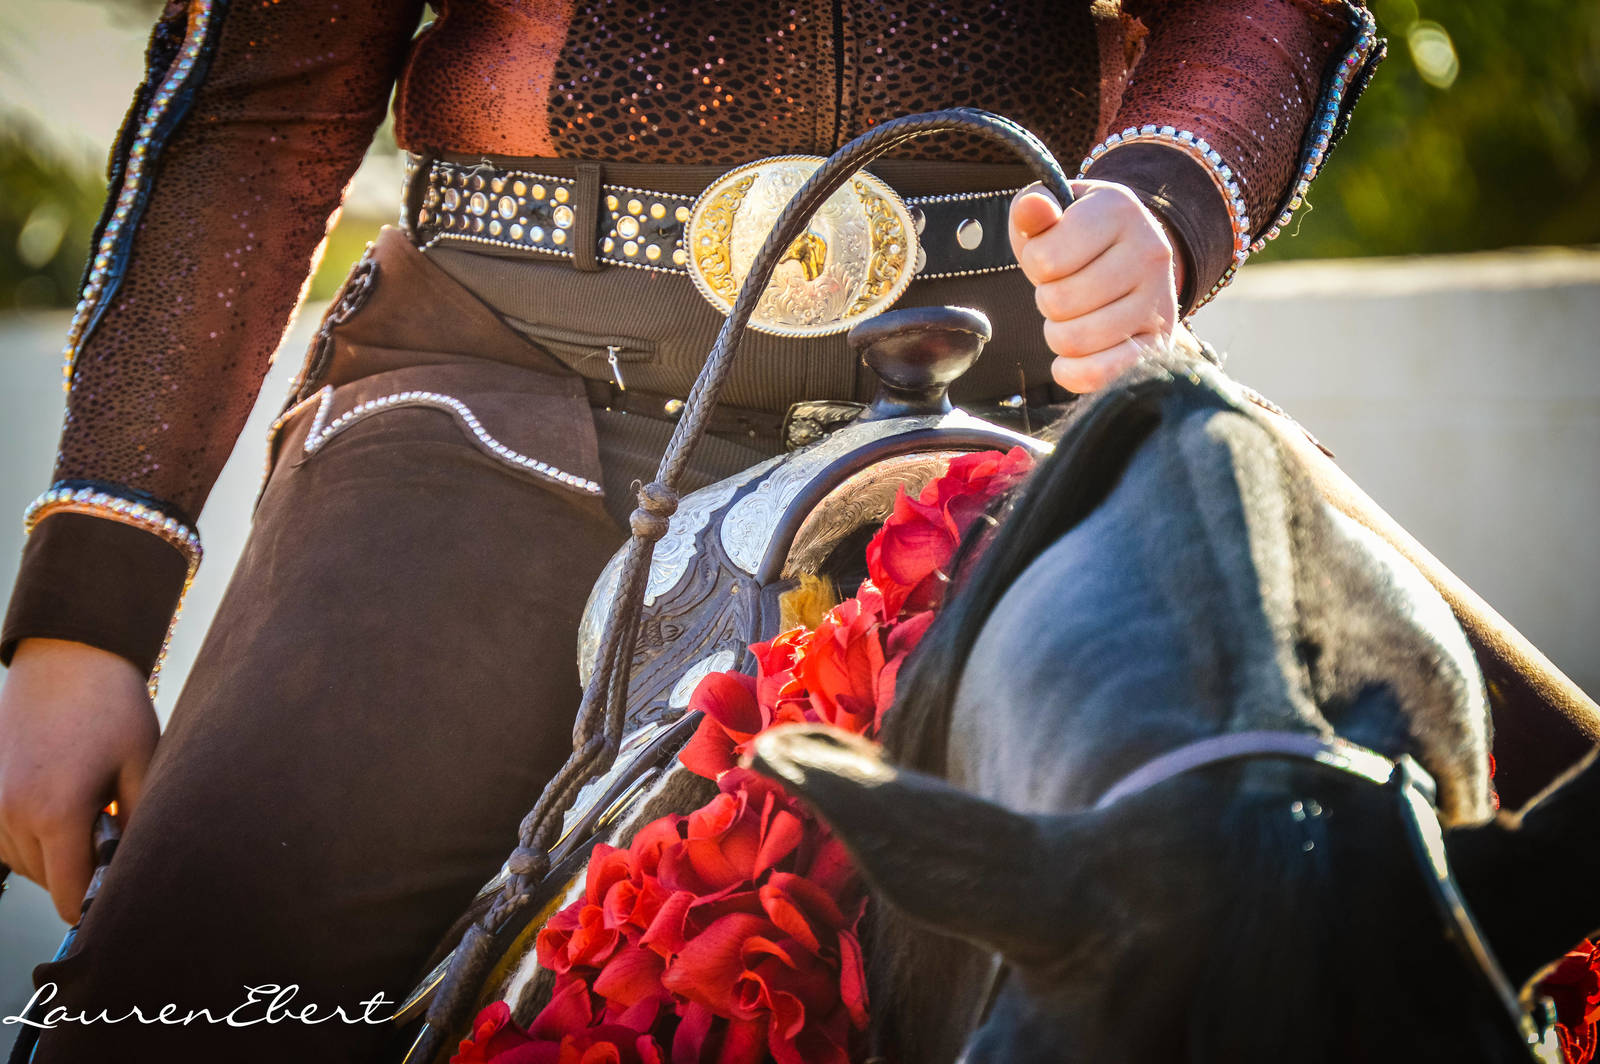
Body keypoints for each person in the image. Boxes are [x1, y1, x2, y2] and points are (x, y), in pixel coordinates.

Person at [0, 1, 1381, 1058]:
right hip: (501, 403)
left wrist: (1167, 195)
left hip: (1024, 401)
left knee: (1370, 895)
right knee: (173, 1008)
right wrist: (85, 620)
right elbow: (261, 98)